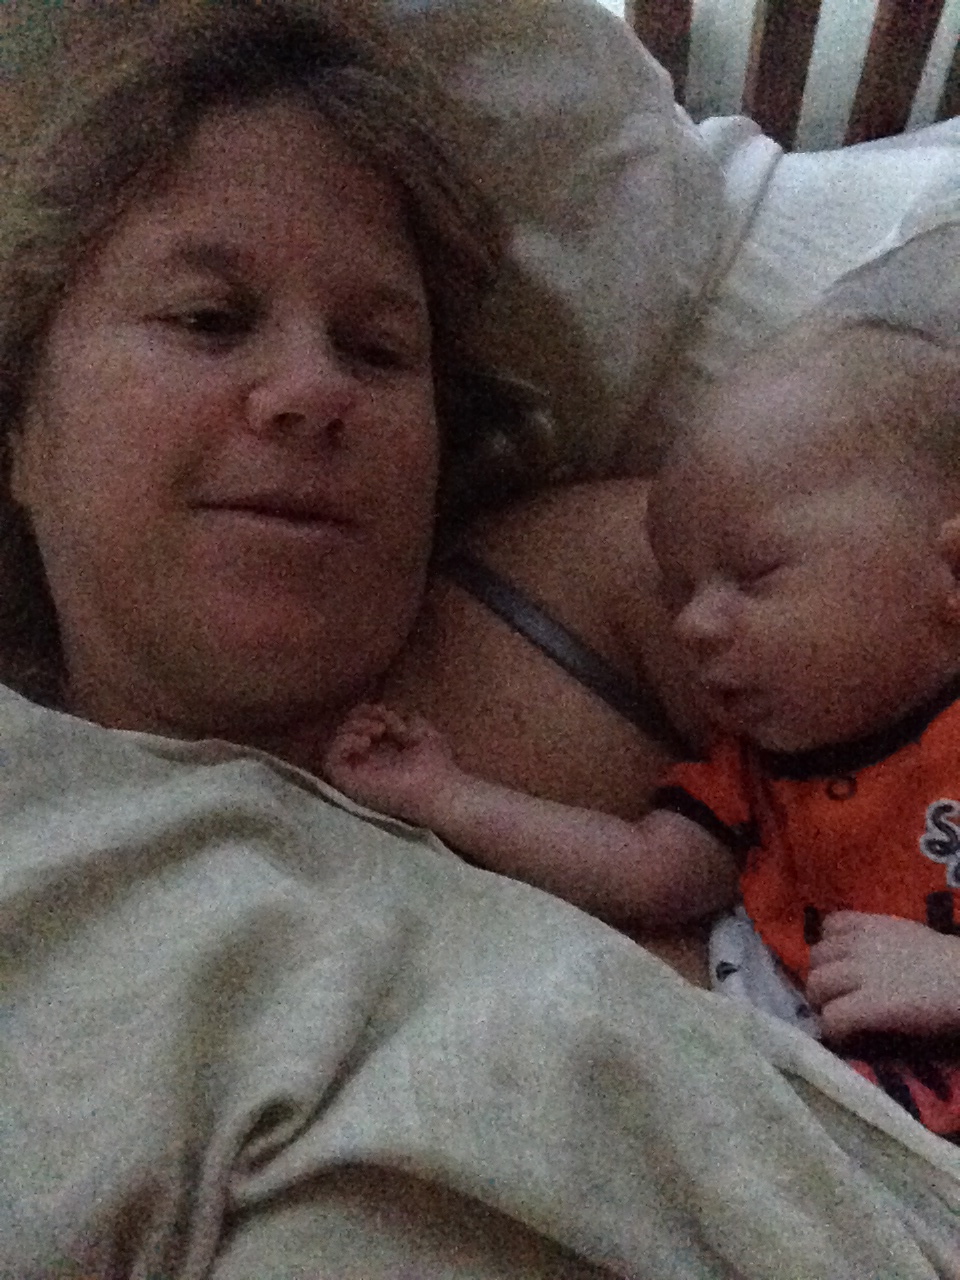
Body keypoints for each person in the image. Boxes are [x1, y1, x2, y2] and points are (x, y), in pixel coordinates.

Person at [3, 4, 960, 1277]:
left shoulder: (601, 587)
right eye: (209, 318)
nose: (312, 391)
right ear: (21, 426)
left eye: (377, 348)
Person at [327, 276, 960, 1141]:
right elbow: (645, 873)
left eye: (754, 575)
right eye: (678, 591)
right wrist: (446, 795)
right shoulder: (749, 776)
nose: (694, 625)